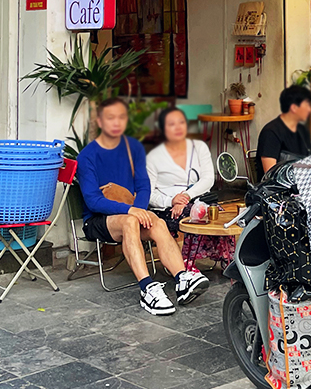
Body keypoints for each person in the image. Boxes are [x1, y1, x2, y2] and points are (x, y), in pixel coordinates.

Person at [76, 97, 209, 316]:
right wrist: (132, 211)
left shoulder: (133, 148)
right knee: (130, 221)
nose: (116, 122)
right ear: (100, 121)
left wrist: (138, 209)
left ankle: (182, 279)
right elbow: (93, 200)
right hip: (98, 219)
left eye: (121, 117)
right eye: (110, 118)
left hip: (130, 210)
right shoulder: (87, 156)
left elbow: (144, 186)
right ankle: (148, 289)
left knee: (157, 222)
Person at [146, 107, 215, 230]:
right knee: (194, 218)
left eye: (181, 122)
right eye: (172, 124)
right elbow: (149, 194)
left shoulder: (199, 147)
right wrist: (171, 201)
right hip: (168, 208)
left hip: (199, 201)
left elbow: (208, 179)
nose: (178, 127)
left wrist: (186, 197)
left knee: (217, 217)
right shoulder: (153, 157)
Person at [256, 85, 311, 177]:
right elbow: (271, 175)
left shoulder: (303, 131)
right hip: (279, 185)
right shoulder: (271, 132)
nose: (310, 110)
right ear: (294, 108)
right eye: (307, 105)